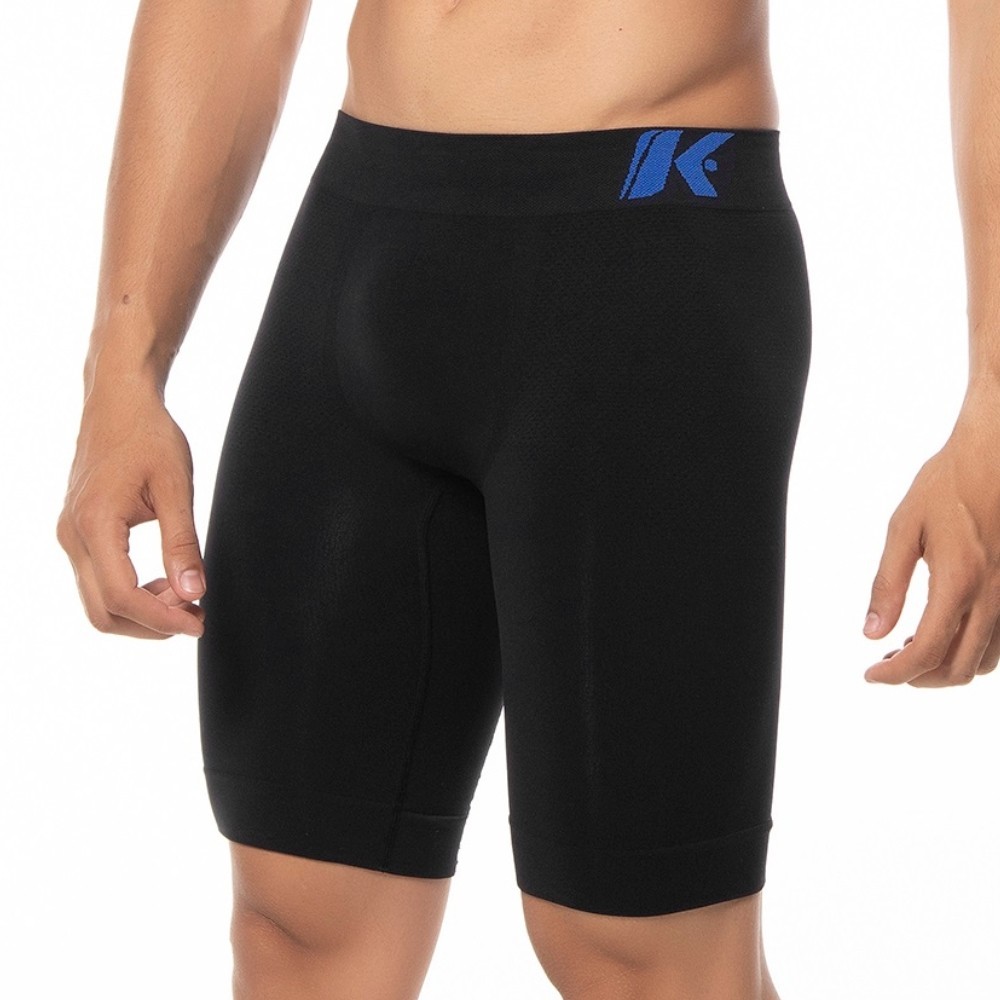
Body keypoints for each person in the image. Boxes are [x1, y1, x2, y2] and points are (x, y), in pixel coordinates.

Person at [55, 1, 1000, 998]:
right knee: (297, 920)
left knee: (642, 958)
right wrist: (123, 371)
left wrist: (991, 415)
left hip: (651, 231)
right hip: (365, 228)